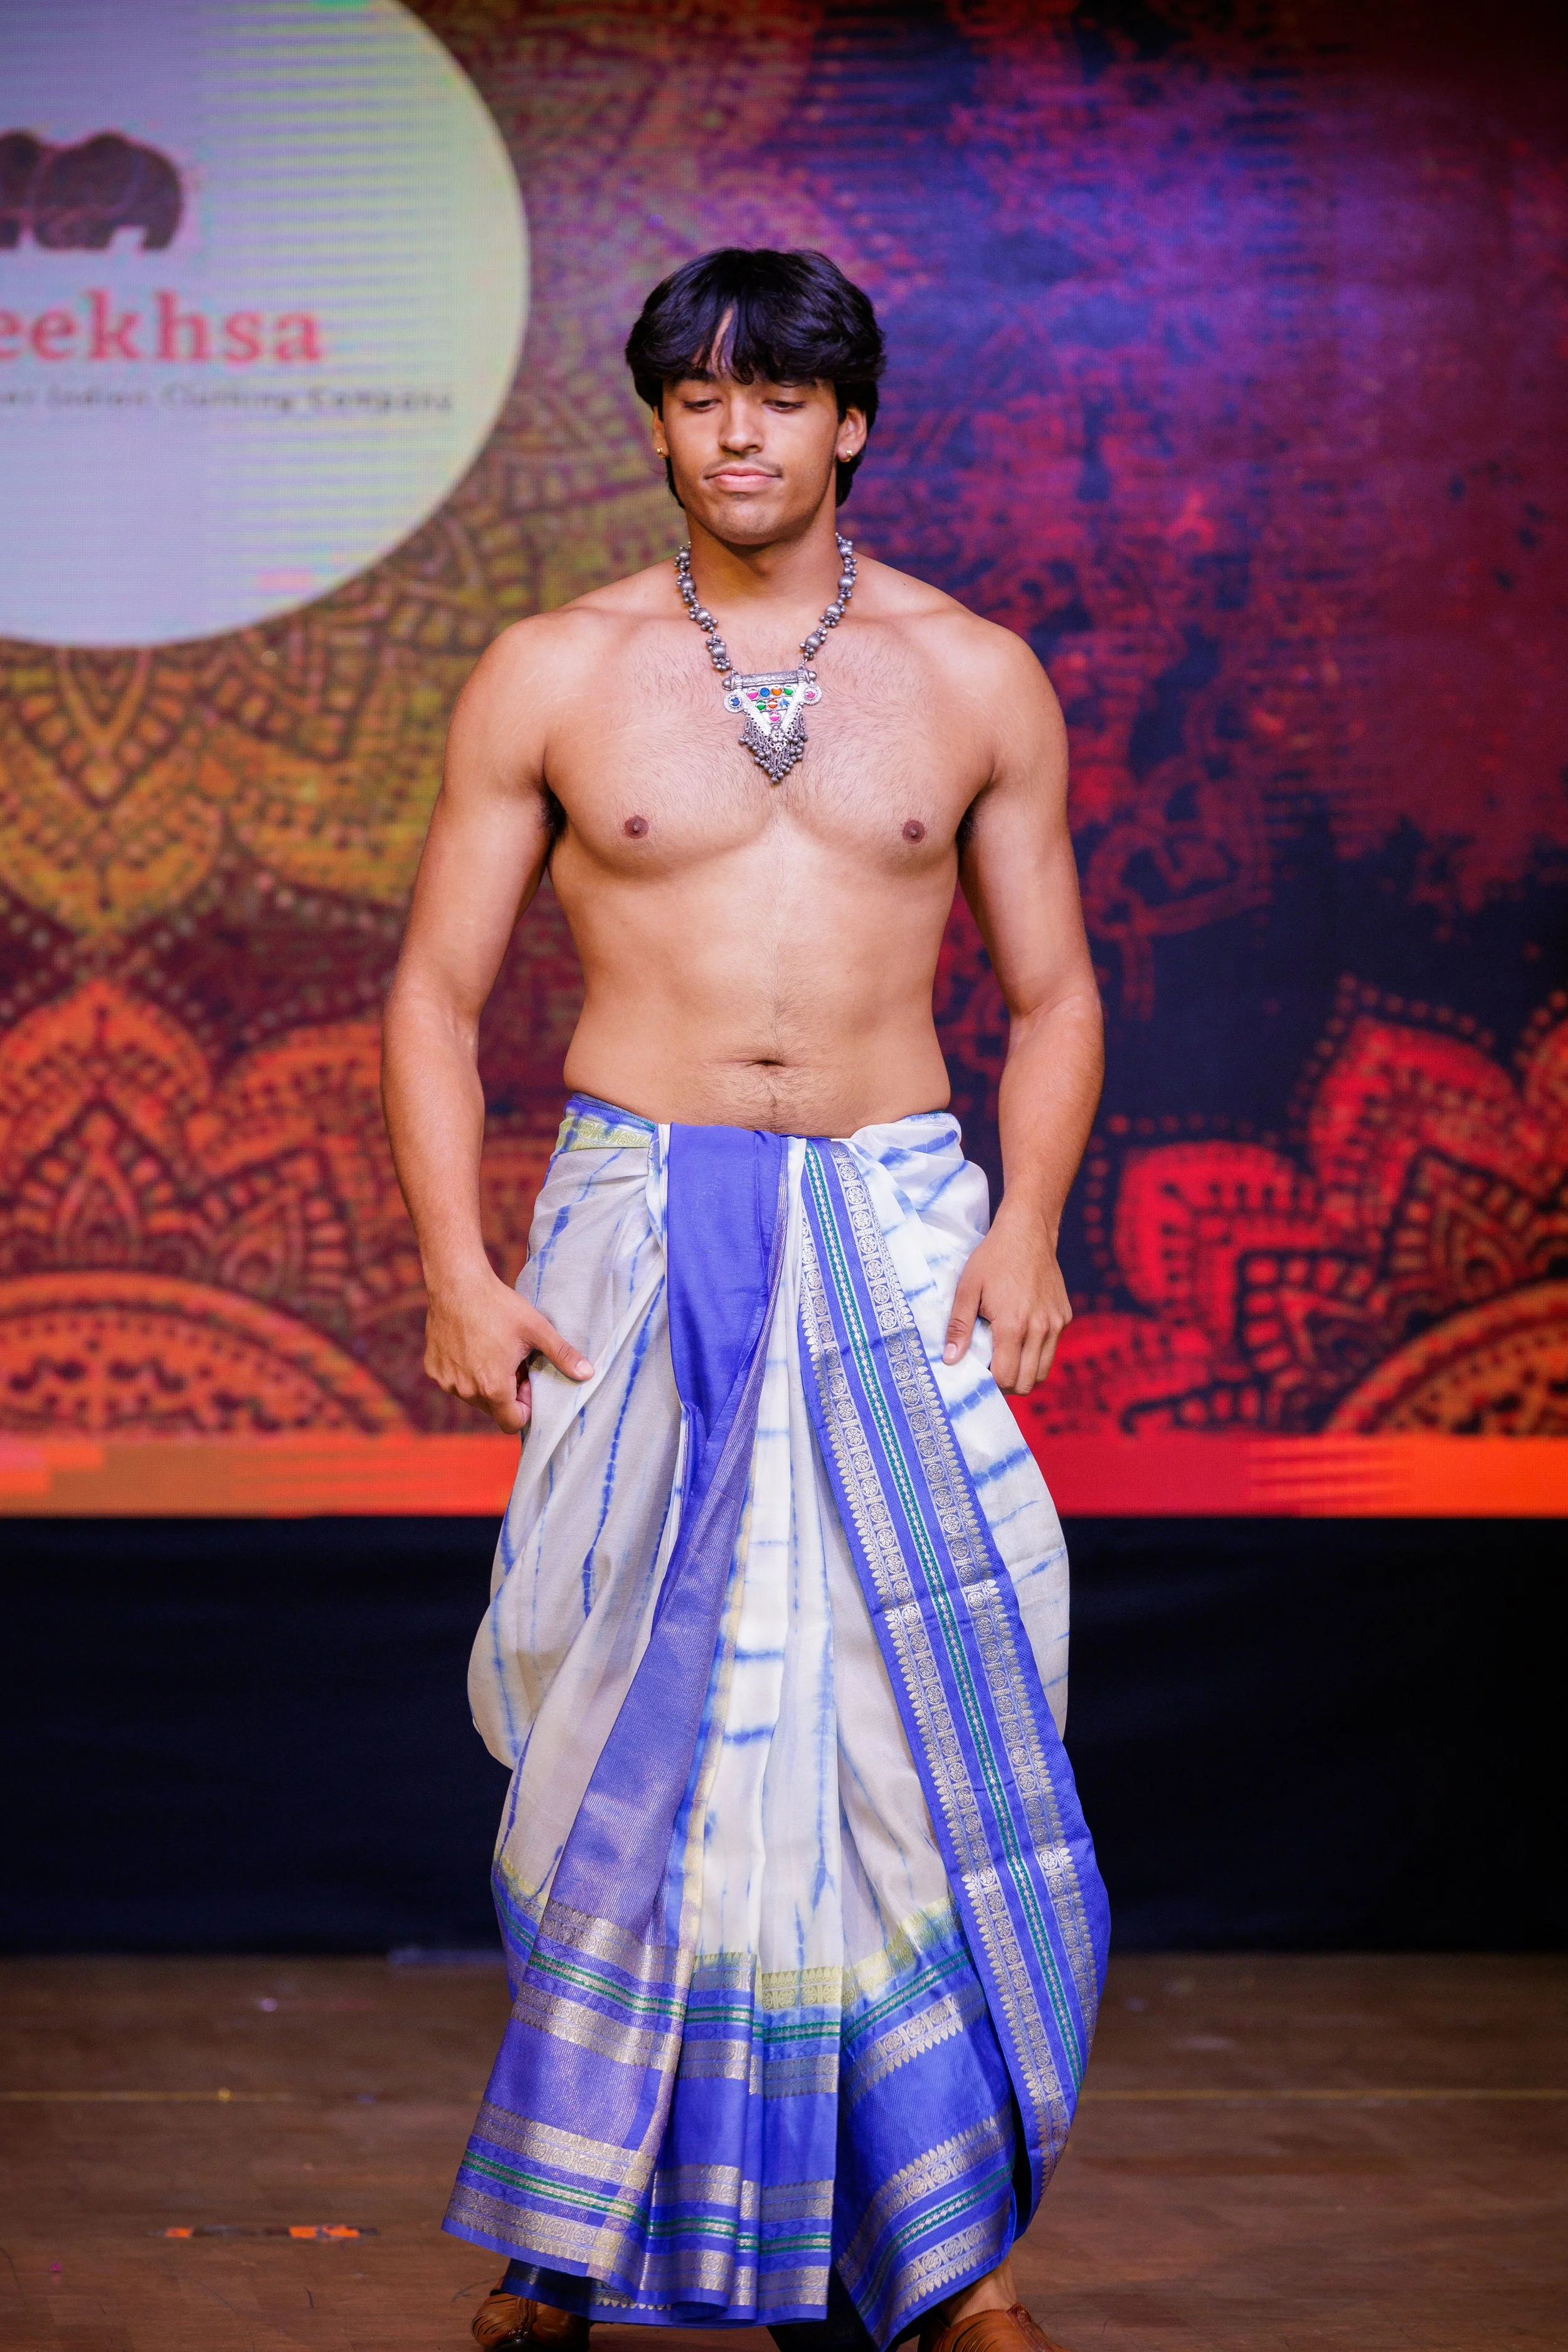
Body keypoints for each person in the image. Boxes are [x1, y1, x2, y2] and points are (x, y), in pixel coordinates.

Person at [381, 247, 1109, 2352]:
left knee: (904, 1723)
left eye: (778, 398)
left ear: (847, 422)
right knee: (619, 1724)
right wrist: (456, 1256)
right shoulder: (554, 669)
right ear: (655, 425)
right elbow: (433, 990)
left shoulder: (974, 677)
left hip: (893, 1221)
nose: (738, 432)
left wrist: (1029, 1222)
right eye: (698, 398)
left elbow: (1052, 996)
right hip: (632, 1226)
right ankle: (566, 2243)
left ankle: (948, 2261)